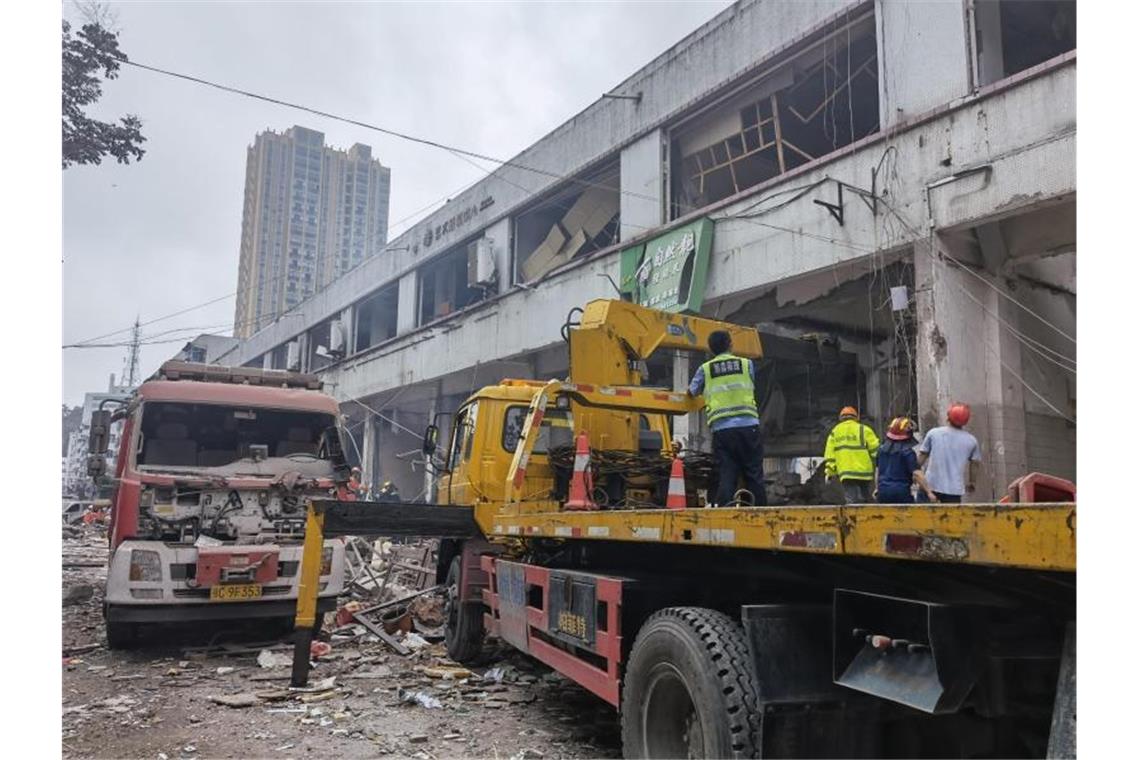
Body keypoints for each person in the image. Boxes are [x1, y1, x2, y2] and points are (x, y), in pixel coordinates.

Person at [688, 330, 767, 506]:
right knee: (754, 474)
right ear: (730, 344)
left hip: (723, 430)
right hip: (749, 427)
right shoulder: (747, 364)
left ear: (710, 349)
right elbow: (751, 385)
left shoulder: (705, 369)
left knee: (727, 475)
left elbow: (691, 392)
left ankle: (725, 513)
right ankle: (761, 513)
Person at [917, 402, 981, 503]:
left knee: (922, 517)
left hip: (930, 486)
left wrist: (913, 473)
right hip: (954, 490)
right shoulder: (971, 441)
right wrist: (972, 482)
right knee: (950, 518)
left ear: (948, 417)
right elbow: (975, 464)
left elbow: (922, 456)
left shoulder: (934, 433)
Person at [824, 407, 880, 503]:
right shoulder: (864, 429)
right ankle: (868, 516)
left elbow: (830, 456)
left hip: (846, 472)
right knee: (866, 498)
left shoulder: (835, 432)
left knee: (851, 500)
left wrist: (830, 472)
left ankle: (853, 516)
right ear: (856, 417)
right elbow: (876, 451)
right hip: (864, 472)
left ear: (840, 418)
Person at [876, 417, 936, 504]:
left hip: (882, 492)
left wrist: (877, 488)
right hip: (901, 492)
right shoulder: (907, 452)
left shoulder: (881, 450)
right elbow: (917, 474)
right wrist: (929, 492)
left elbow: (878, 470)